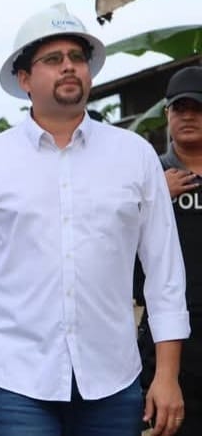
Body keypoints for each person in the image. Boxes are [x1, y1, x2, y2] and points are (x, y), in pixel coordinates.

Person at [0, 3, 190, 436]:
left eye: (77, 57)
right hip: (14, 379)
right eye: (53, 59)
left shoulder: (134, 156)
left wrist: (167, 375)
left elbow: (165, 273)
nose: (69, 66)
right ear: (24, 79)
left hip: (113, 377)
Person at [138, 66, 202, 436]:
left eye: (197, 108)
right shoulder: (147, 177)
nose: (188, 116)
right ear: (167, 114)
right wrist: (154, 196)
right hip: (167, 336)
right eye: (180, 108)